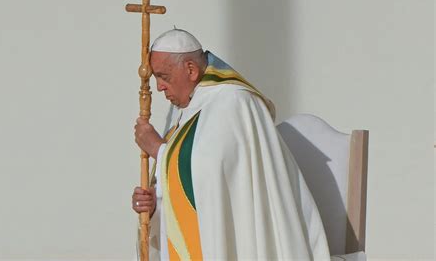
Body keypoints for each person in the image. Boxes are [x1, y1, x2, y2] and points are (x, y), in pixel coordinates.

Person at [131, 28, 330, 261]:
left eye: (164, 76)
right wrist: (154, 205)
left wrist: (158, 149)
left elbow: (207, 172)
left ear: (191, 70)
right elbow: (196, 194)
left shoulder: (234, 102)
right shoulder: (186, 111)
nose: (159, 87)